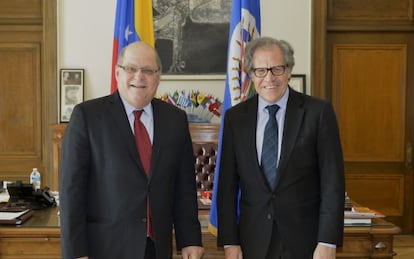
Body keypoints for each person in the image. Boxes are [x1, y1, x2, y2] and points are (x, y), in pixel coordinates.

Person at [59, 41, 204, 259]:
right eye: (131, 69)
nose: (139, 76)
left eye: (148, 70)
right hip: (105, 248)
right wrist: (75, 253)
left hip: (156, 248)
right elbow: (72, 192)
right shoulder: (88, 117)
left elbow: (184, 186)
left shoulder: (174, 119)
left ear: (158, 76)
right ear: (118, 73)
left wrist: (190, 239)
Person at [216, 36, 345, 259]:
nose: (269, 78)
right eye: (261, 71)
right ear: (251, 74)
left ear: (289, 70)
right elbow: (226, 185)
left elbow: (332, 182)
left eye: (277, 69)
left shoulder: (318, 113)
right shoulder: (235, 118)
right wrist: (230, 241)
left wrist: (327, 241)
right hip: (252, 241)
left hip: (306, 241)